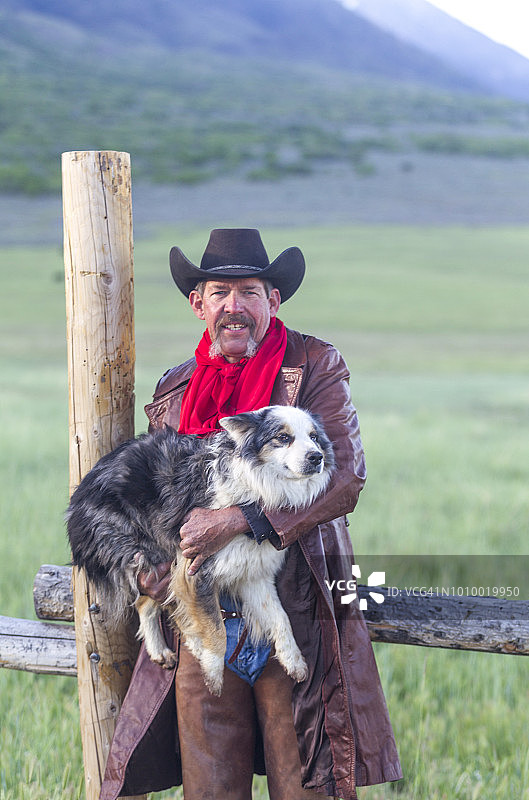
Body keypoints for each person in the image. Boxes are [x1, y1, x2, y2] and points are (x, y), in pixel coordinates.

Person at [100, 229, 402, 800]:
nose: (233, 306)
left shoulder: (313, 365)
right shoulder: (176, 387)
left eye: (249, 291)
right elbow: (144, 493)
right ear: (199, 304)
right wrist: (144, 562)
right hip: (202, 610)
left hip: (295, 601)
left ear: (274, 301)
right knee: (210, 785)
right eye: (219, 292)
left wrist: (240, 520)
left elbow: (344, 477)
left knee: (305, 780)